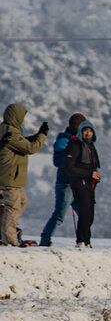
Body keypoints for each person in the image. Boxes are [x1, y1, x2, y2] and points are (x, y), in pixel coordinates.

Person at [0, 104, 48, 246]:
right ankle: (10, 239)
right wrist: (42, 135)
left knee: (22, 202)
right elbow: (30, 148)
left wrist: (37, 134)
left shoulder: (8, 130)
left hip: (13, 178)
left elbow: (22, 141)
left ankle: (8, 228)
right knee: (12, 207)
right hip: (10, 177)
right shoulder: (10, 132)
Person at [39, 113, 87, 246]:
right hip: (65, 184)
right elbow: (58, 161)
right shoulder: (63, 141)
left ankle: (84, 241)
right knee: (59, 215)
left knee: (85, 214)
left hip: (78, 184)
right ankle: (45, 240)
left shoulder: (81, 141)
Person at [64, 120, 101, 248]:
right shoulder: (74, 145)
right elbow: (70, 167)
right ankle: (81, 241)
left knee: (90, 214)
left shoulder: (90, 146)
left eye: (90, 130)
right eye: (85, 130)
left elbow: (93, 165)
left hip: (90, 184)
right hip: (79, 183)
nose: (88, 133)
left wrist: (94, 175)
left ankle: (87, 241)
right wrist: (89, 174)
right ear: (80, 132)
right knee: (85, 212)